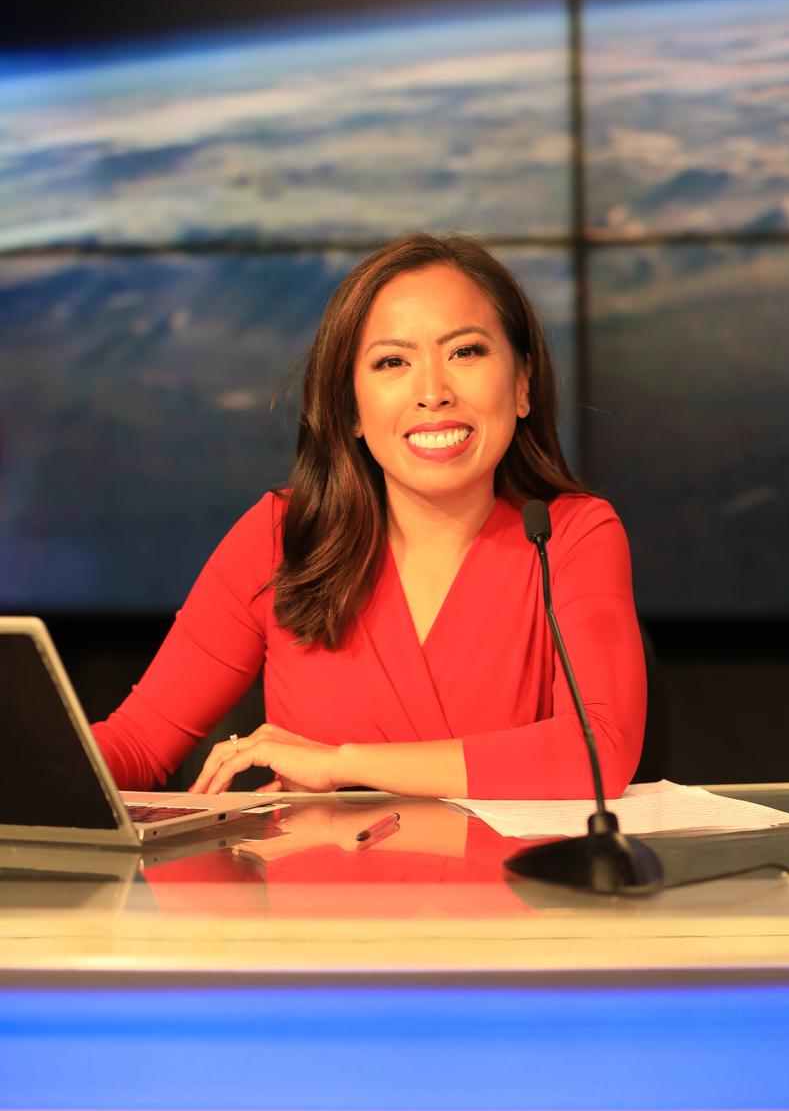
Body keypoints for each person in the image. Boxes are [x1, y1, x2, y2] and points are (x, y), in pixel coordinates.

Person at [92, 233, 646, 800]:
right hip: (327, 892)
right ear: (351, 409)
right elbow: (136, 744)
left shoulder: (572, 536)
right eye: (392, 362)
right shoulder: (279, 538)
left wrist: (341, 765)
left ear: (522, 384)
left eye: (465, 352)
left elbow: (600, 748)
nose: (433, 392)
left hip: (508, 889)